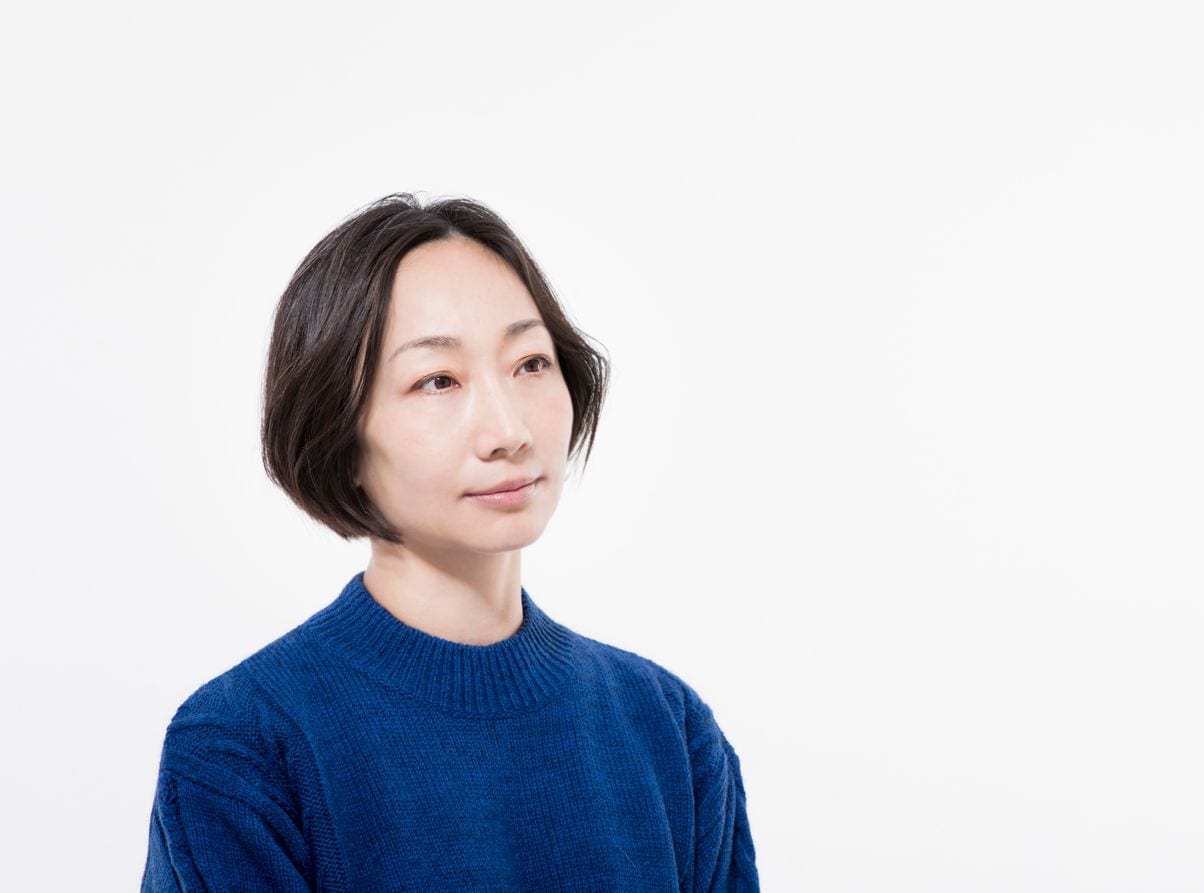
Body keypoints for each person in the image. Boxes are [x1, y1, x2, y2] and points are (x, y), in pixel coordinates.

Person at [138, 193, 760, 891]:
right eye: (438, 380)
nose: (509, 431)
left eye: (530, 363)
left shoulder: (667, 726)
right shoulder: (242, 747)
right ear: (339, 435)